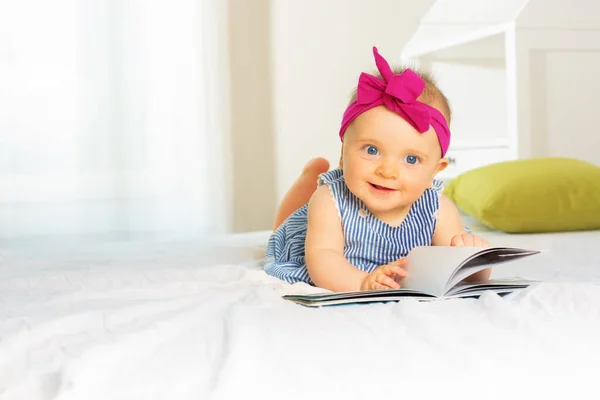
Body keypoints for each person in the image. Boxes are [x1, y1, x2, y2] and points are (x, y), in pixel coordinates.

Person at [265, 47, 490, 292]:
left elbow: (457, 269)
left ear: (434, 171)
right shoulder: (330, 200)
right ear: (343, 154)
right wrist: (363, 283)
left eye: (411, 159)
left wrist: (476, 261)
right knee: (286, 227)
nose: (387, 171)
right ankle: (310, 176)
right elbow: (322, 259)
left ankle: (314, 173)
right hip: (311, 246)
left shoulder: (437, 208)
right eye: (371, 150)